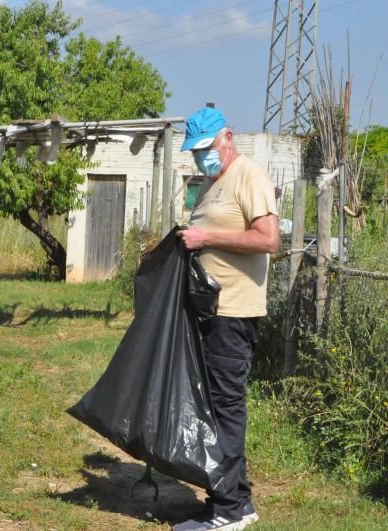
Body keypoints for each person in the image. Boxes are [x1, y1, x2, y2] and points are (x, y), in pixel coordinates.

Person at [173, 107, 279, 531]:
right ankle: (234, 500)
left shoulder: (248, 175)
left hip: (233, 314)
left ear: (228, 138)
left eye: (207, 148)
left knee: (225, 406)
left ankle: (229, 511)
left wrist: (206, 237)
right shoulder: (211, 183)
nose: (202, 157)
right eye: (195, 151)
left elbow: (267, 239)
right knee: (214, 406)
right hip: (210, 313)